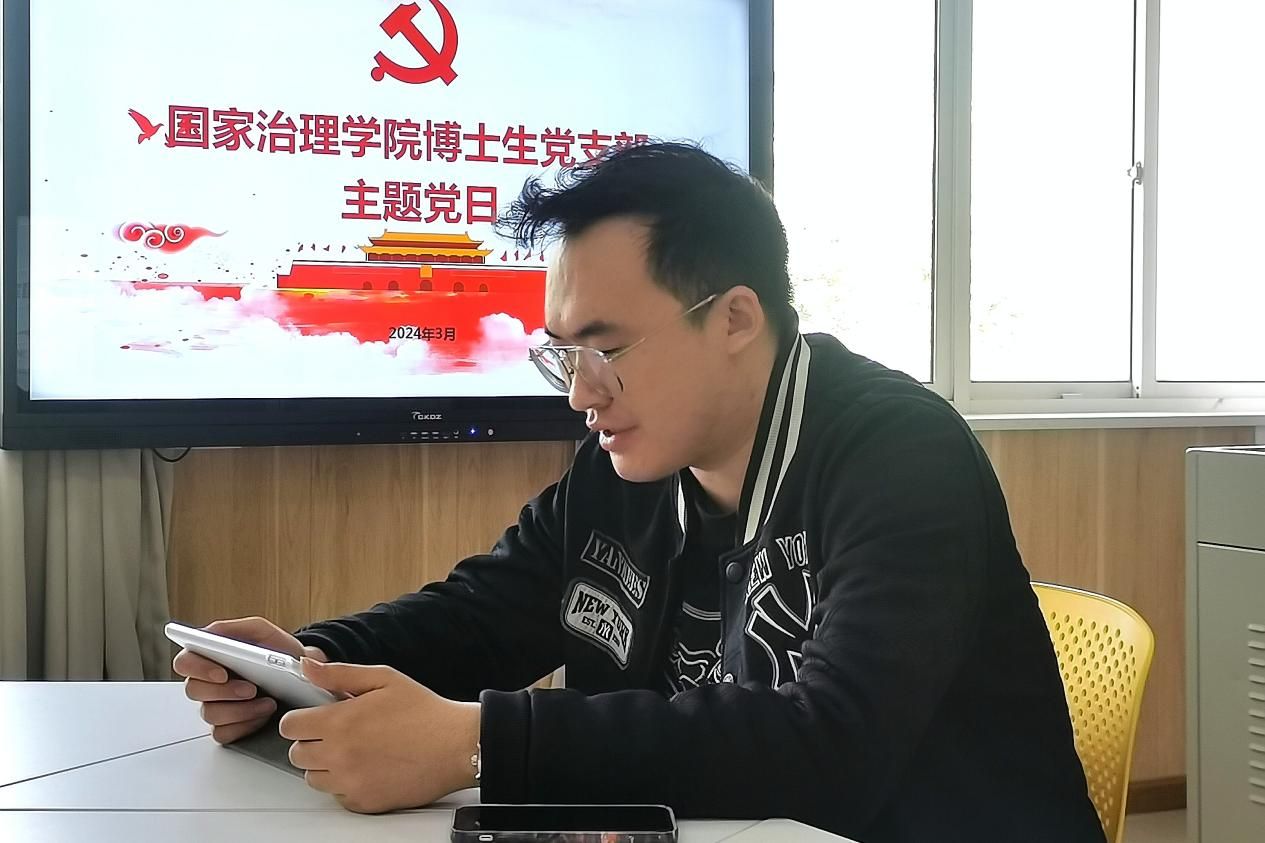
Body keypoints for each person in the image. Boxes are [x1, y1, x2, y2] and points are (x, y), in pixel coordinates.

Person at [174, 142, 1107, 843]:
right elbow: (486, 610)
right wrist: (312, 664)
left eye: (606, 347)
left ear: (734, 317)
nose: (580, 393)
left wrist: (479, 743)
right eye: (562, 354)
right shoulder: (628, 463)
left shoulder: (898, 454)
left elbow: (832, 742)